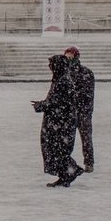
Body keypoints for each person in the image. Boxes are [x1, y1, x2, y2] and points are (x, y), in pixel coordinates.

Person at [33, 53, 81, 186]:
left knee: (58, 149)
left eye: (51, 64)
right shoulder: (60, 79)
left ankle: (70, 172)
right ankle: (66, 174)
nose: (49, 67)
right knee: (56, 149)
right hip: (58, 121)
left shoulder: (63, 81)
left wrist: (41, 105)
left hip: (61, 122)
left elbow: (56, 102)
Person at [65, 46, 96, 173]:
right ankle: (65, 162)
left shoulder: (86, 73)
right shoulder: (65, 72)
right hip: (70, 111)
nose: (67, 59)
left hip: (82, 111)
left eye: (70, 57)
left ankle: (89, 162)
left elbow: (87, 93)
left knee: (86, 138)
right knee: (66, 139)